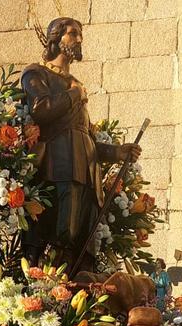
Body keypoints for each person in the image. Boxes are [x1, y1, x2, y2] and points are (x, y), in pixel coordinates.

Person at [20, 16, 141, 268]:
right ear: (56, 38)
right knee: (62, 230)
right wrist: (75, 94)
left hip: (86, 168)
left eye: (79, 34)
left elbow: (85, 133)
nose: (79, 39)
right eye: (72, 33)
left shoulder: (76, 85)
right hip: (58, 164)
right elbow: (40, 109)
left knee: (82, 235)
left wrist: (118, 152)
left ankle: (77, 291)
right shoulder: (36, 73)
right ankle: (51, 287)